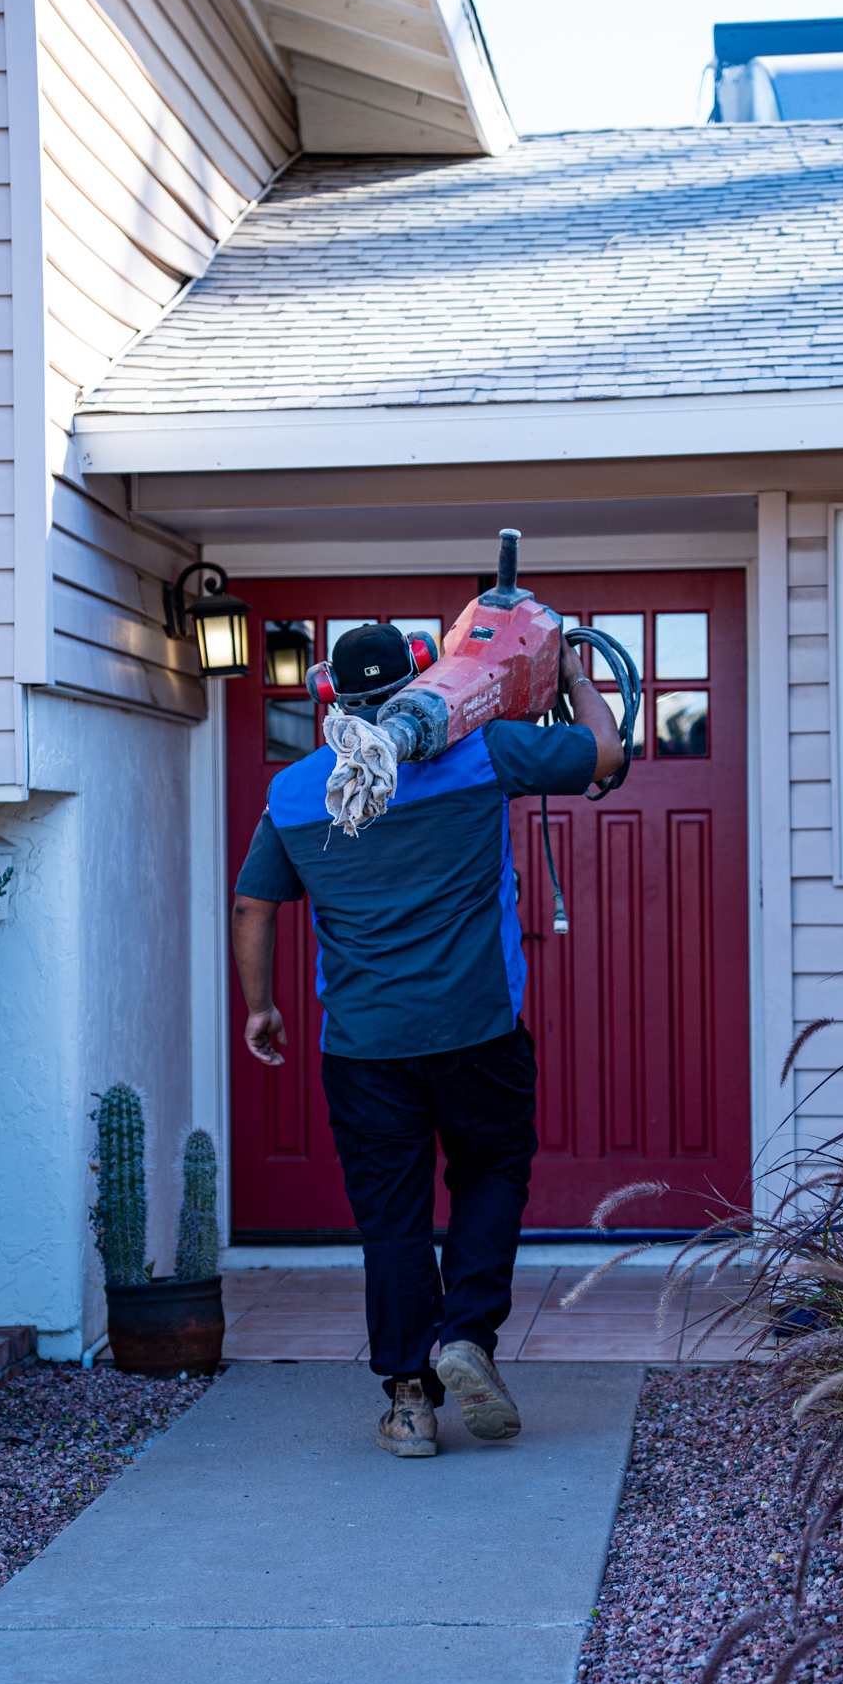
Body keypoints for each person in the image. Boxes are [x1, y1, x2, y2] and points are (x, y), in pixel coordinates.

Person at [231, 619, 624, 1458]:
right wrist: (572, 671)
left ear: (328, 696)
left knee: (393, 1219)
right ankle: (466, 1338)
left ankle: (410, 1403)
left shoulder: (299, 791)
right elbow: (603, 753)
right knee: (490, 1172)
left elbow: (253, 906)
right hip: (477, 1030)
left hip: (365, 1050)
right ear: (420, 679)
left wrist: (259, 1006)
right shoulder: (484, 754)